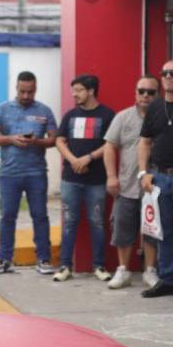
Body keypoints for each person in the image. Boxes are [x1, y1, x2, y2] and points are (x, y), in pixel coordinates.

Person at [0, 71, 58, 275]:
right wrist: (12, 139)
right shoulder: (2, 109)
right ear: (16, 88)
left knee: (40, 216)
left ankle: (44, 259)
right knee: (7, 216)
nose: (26, 96)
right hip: (9, 173)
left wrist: (37, 142)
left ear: (36, 89)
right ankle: (4, 259)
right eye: (22, 91)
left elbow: (54, 139)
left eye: (30, 91)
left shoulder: (44, 110)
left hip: (36, 172)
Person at [137, 60, 173, 298]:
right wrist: (143, 172)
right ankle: (167, 278)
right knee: (163, 231)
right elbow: (145, 142)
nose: (168, 77)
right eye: (164, 73)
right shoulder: (155, 106)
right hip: (159, 177)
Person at [54, 74, 115, 283]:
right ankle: (65, 266)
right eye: (73, 90)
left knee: (97, 222)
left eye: (79, 90)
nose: (74, 94)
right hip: (70, 178)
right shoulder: (70, 115)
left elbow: (111, 143)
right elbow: (60, 140)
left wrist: (88, 158)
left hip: (97, 179)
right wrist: (73, 160)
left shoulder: (107, 115)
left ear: (91, 91)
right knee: (69, 221)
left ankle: (99, 266)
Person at [103, 75, 161, 289]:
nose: (145, 95)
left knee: (152, 231)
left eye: (151, 92)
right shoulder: (123, 117)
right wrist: (111, 176)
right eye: (141, 91)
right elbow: (110, 146)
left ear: (158, 94)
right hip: (127, 184)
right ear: (135, 93)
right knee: (123, 229)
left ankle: (150, 270)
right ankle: (122, 270)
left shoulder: (163, 116)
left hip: (154, 186)